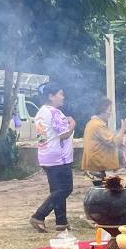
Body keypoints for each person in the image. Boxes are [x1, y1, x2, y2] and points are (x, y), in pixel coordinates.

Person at [29, 82, 76, 232]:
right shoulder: (55, 112)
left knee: (56, 190)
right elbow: (64, 134)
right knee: (65, 189)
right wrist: (72, 123)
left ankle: (61, 222)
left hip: (45, 155)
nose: (63, 97)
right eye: (60, 94)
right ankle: (39, 216)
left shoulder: (40, 112)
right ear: (51, 96)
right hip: (59, 157)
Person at [80, 97, 123, 180]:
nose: (110, 113)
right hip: (100, 167)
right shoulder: (98, 125)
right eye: (109, 110)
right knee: (106, 188)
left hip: (94, 166)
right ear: (102, 110)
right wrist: (123, 128)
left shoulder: (91, 123)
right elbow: (115, 142)